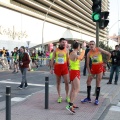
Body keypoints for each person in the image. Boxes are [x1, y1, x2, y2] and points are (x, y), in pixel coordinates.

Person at [81, 40, 111, 105]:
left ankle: (97, 99)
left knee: (98, 82)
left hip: (100, 68)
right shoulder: (89, 53)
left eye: (92, 44)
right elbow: (87, 64)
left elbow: (109, 54)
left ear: (94, 45)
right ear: (89, 46)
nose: (91, 45)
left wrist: (106, 63)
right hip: (93, 68)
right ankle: (88, 98)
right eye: (90, 44)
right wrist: (89, 73)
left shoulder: (99, 49)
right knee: (88, 81)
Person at [66, 41, 85, 114]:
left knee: (73, 89)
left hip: (74, 71)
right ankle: (70, 105)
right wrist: (83, 49)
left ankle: (71, 104)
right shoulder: (74, 53)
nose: (80, 47)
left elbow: (78, 58)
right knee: (77, 89)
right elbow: (80, 57)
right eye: (80, 46)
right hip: (74, 71)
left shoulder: (73, 53)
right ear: (78, 47)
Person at [50, 38, 70, 103]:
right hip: (57, 68)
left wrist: (69, 68)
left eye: (65, 42)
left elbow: (68, 59)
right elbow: (52, 59)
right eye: (63, 42)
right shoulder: (56, 50)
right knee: (58, 83)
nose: (64, 43)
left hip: (65, 68)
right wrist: (51, 68)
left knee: (67, 82)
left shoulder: (66, 50)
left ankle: (67, 96)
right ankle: (59, 96)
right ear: (60, 43)